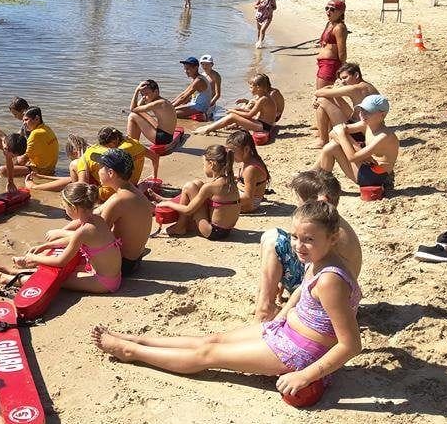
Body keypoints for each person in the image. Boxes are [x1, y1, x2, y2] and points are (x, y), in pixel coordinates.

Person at [93, 201, 363, 401]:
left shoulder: (331, 281)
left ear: (333, 237)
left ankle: (131, 352)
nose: (298, 245)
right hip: (287, 332)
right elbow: (301, 291)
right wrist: (282, 316)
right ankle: (136, 340)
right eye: (295, 237)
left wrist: (305, 376)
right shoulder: (320, 259)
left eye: (309, 239)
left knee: (209, 355)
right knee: (213, 339)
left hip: (300, 352)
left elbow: (350, 345)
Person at [256, 170, 362, 322]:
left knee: (272, 239)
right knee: (278, 241)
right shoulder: (331, 225)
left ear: (317, 202)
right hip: (339, 293)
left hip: (323, 294)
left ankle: (264, 308)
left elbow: (309, 280)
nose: (297, 205)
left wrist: (281, 318)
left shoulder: (330, 237)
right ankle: (264, 300)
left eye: (299, 201)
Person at [0, 182, 123, 294]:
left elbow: (60, 261)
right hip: (111, 274)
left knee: (57, 278)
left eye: (64, 207)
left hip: (104, 282)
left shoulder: (83, 231)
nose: (64, 209)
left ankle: (4, 279)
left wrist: (34, 258)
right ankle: (14, 271)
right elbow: (73, 241)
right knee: (57, 270)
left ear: (73, 208)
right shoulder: (97, 219)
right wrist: (46, 246)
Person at [38, 149, 152, 278]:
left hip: (123, 265)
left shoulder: (118, 200)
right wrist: (65, 229)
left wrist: (60, 233)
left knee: (64, 257)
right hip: (135, 259)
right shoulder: (131, 191)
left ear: (110, 173)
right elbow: (96, 213)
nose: (98, 171)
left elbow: (97, 236)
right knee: (71, 236)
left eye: (100, 167)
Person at [27, 127, 156, 198]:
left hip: (109, 193)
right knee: (76, 175)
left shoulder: (85, 158)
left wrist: (70, 199)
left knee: (74, 167)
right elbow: (155, 157)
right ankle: (37, 184)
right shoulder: (132, 144)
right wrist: (43, 176)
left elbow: (81, 186)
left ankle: (35, 186)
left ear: (75, 152)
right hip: (130, 184)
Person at [154, 144, 240, 240]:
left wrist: (169, 204)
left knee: (189, 187)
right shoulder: (231, 181)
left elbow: (188, 210)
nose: (203, 167)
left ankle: (179, 227)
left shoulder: (210, 187)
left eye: (204, 164)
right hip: (226, 230)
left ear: (211, 164)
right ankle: (181, 225)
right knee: (197, 184)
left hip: (213, 232)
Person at [314, 95, 398, 190]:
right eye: (361, 110)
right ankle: (324, 186)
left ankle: (323, 186)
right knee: (332, 146)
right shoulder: (366, 124)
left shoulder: (383, 136)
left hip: (377, 176)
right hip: (369, 167)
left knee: (331, 147)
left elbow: (352, 157)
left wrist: (342, 135)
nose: (362, 114)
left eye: (368, 112)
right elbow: (334, 132)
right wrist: (362, 153)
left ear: (382, 115)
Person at [312, 62, 378, 149]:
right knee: (330, 97)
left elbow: (319, 92)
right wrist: (324, 92)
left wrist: (316, 96)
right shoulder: (367, 86)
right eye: (341, 79)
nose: (343, 81)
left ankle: (323, 140)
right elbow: (330, 90)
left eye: (345, 78)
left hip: (362, 132)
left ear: (356, 75)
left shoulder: (354, 89)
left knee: (322, 100)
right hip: (372, 127)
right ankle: (323, 138)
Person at [194, 74, 277, 136]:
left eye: (251, 87)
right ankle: (212, 126)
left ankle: (208, 129)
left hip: (265, 127)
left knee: (232, 116)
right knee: (237, 112)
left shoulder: (263, 99)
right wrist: (238, 110)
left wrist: (233, 111)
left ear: (258, 87)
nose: (250, 89)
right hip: (264, 123)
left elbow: (249, 115)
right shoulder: (263, 96)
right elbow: (252, 111)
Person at [0, 106, 59, 178]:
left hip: (41, 170)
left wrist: (9, 164)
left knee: (2, 170)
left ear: (37, 119)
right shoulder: (47, 128)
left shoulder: (35, 134)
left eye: (26, 120)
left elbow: (22, 160)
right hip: (51, 168)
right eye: (23, 121)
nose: (24, 123)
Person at [226, 130, 270, 213]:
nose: (229, 155)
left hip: (248, 204)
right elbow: (246, 179)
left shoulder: (250, 169)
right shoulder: (248, 160)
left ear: (246, 149)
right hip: (242, 195)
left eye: (232, 152)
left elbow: (248, 198)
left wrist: (225, 203)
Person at [126, 79, 178, 145]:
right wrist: (144, 96)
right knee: (137, 114)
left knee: (132, 116)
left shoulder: (159, 103)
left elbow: (133, 109)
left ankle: (131, 145)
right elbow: (138, 109)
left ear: (156, 92)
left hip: (162, 138)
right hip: (166, 136)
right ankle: (135, 143)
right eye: (142, 94)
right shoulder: (160, 100)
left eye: (147, 94)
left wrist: (136, 91)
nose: (144, 97)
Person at [317, 0, 347, 90]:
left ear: (341, 12)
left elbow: (342, 51)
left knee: (323, 96)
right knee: (324, 96)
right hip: (323, 64)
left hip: (330, 65)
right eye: (327, 8)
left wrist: (343, 67)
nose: (328, 11)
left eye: (332, 9)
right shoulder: (329, 24)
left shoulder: (339, 28)